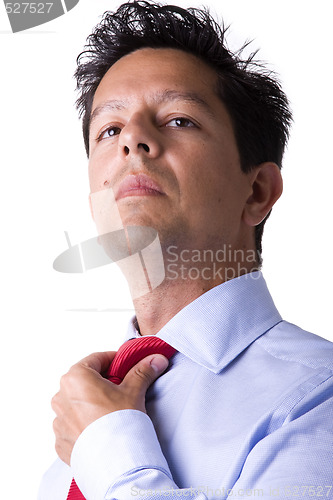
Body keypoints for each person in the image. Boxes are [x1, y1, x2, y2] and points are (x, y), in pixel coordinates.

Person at [38, 1, 333, 498]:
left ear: (257, 190)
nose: (132, 138)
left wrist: (109, 452)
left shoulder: (318, 398)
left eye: (178, 120)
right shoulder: (76, 437)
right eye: (109, 130)